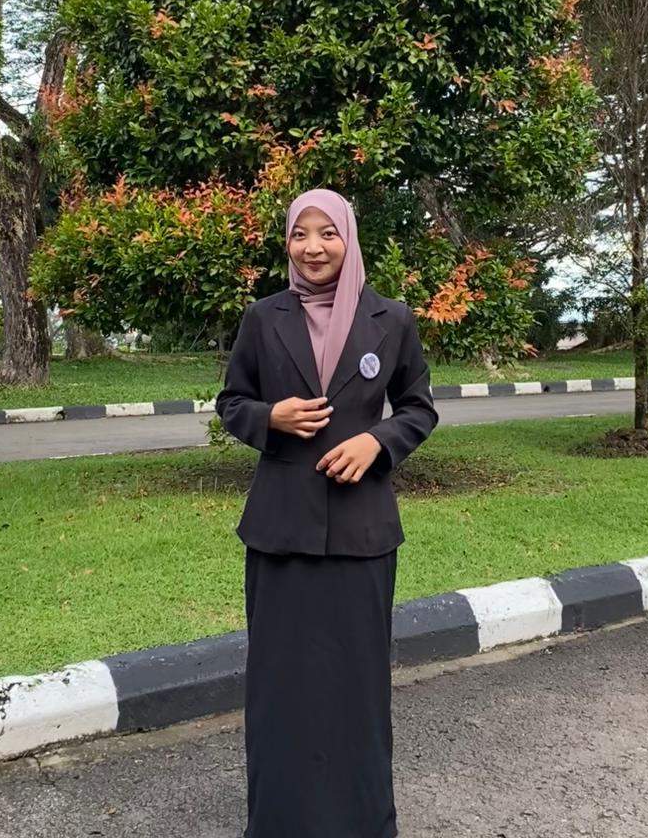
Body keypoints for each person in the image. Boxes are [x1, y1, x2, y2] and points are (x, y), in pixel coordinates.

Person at [215, 187, 439, 838]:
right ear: (287, 242)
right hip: (281, 531)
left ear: (349, 238)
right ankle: (279, 820)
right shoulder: (264, 318)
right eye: (299, 234)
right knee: (280, 685)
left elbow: (418, 408)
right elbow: (231, 402)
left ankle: (363, 821)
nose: (313, 248)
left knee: (355, 685)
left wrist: (377, 442)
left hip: (361, 531)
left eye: (327, 233)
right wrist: (271, 417)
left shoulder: (391, 319)